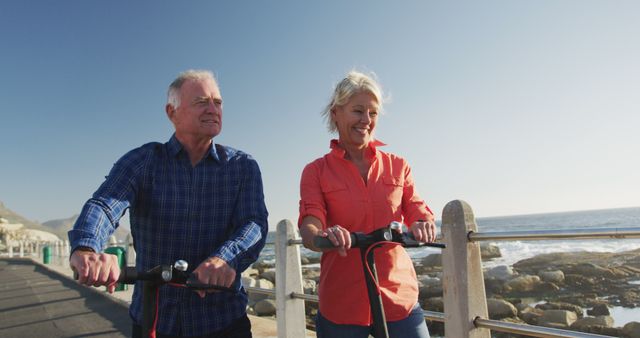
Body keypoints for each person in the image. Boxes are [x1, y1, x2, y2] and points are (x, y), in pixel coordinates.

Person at [68, 69, 268, 338]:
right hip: (154, 319)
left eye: (217, 102)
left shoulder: (243, 167)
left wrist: (224, 259)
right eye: (201, 102)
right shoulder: (142, 161)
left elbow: (253, 222)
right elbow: (105, 204)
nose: (213, 109)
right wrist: (86, 248)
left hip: (223, 321)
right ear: (171, 112)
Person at [298, 70, 436, 338]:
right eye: (358, 111)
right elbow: (311, 221)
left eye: (372, 114)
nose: (366, 121)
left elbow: (416, 206)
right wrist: (322, 235)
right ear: (336, 113)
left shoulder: (398, 165)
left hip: (398, 298)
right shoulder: (315, 171)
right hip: (342, 302)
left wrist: (422, 223)